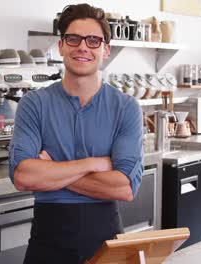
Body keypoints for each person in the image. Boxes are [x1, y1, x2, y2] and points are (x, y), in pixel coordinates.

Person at [9, 3, 143, 263]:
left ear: (106, 50)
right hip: (47, 241)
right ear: (61, 46)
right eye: (73, 39)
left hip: (106, 240)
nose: (82, 47)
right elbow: (24, 176)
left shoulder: (126, 107)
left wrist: (53, 170)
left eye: (93, 40)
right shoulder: (34, 104)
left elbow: (125, 187)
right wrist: (94, 164)